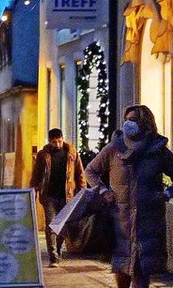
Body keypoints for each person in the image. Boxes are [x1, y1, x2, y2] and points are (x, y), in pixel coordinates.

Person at [86, 105, 173, 288]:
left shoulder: (157, 150)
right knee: (122, 269)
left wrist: (166, 193)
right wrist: (103, 191)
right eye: (126, 118)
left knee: (142, 271)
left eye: (133, 119)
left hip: (148, 221)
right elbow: (91, 171)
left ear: (145, 123)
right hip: (120, 221)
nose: (128, 123)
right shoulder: (114, 148)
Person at [30, 128, 86, 267]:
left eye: (59, 141)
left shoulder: (71, 153)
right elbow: (36, 174)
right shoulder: (43, 155)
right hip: (48, 195)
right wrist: (33, 190)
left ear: (62, 139)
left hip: (66, 195)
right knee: (51, 225)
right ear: (49, 141)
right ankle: (53, 256)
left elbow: (80, 172)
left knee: (62, 226)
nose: (58, 145)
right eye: (54, 142)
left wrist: (82, 190)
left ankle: (58, 250)